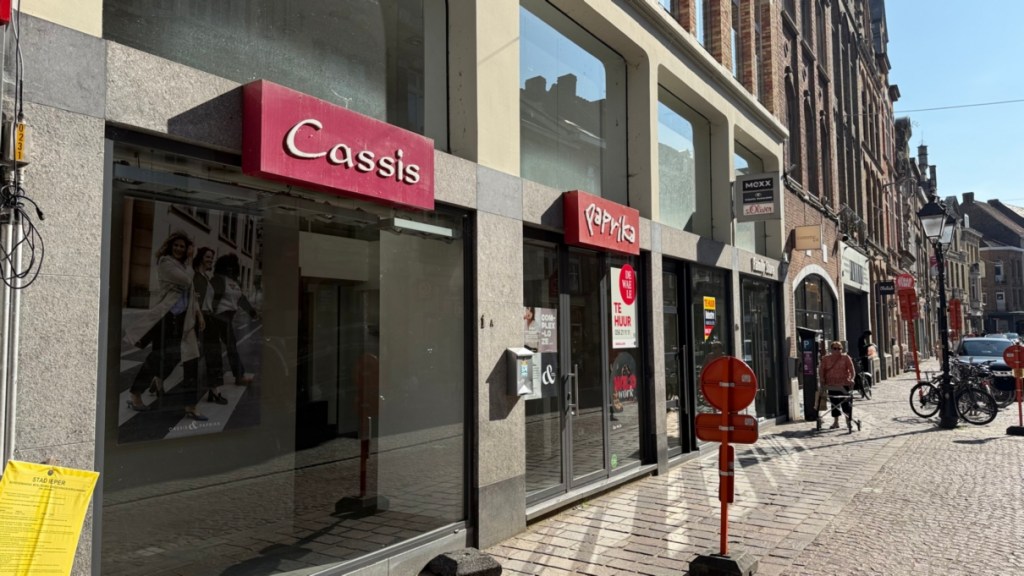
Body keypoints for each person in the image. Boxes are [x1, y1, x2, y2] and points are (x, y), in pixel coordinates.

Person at [124, 231, 207, 421]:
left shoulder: (184, 266)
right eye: (176, 245)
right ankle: (135, 394)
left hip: (185, 320)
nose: (179, 249)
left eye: (183, 246)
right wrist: (190, 260)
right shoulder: (165, 263)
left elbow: (191, 293)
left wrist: (199, 314)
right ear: (170, 246)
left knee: (190, 359)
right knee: (158, 357)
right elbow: (188, 281)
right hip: (167, 318)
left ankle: (190, 405)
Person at [211, 253, 259, 386]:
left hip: (229, 317)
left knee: (215, 346)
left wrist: (252, 312)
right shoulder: (218, 279)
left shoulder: (234, 282)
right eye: (227, 266)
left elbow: (241, 298)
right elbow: (211, 299)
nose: (230, 269)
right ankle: (239, 376)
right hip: (219, 316)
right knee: (231, 345)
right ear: (222, 266)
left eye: (232, 266)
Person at [192, 247, 228, 405]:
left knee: (214, 354)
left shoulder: (205, 277)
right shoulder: (196, 277)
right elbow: (195, 303)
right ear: (200, 257)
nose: (210, 260)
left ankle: (214, 390)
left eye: (212, 258)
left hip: (208, 318)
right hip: (200, 319)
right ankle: (157, 378)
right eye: (207, 257)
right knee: (189, 355)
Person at [819, 340, 856, 429]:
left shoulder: (846, 358)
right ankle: (836, 422)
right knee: (834, 403)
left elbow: (852, 370)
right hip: (831, 384)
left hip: (844, 384)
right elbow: (821, 370)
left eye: (839, 348)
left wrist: (852, 378)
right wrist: (822, 379)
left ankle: (848, 421)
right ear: (831, 349)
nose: (837, 350)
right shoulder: (826, 359)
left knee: (846, 403)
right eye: (835, 348)